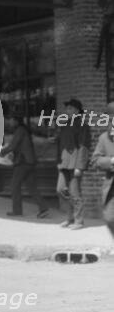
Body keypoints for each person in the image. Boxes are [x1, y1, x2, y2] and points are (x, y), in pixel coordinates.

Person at [0, 114, 49, 219]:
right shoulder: (23, 130)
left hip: (23, 162)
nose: (10, 122)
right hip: (29, 162)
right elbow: (17, 146)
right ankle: (43, 208)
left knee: (14, 186)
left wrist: (1, 152)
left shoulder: (20, 130)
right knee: (31, 186)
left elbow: (13, 145)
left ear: (16, 121)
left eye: (11, 120)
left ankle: (17, 211)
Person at [56, 98, 91, 230]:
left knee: (74, 192)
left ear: (77, 111)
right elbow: (61, 144)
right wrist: (58, 162)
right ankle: (70, 217)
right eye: (67, 108)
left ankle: (78, 220)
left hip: (75, 164)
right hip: (64, 163)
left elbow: (84, 147)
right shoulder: (65, 124)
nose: (67, 111)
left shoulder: (82, 124)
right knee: (60, 190)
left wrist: (80, 166)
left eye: (70, 108)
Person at [91, 102, 114, 238]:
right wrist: (111, 161)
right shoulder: (104, 138)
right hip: (112, 185)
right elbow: (95, 160)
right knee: (109, 217)